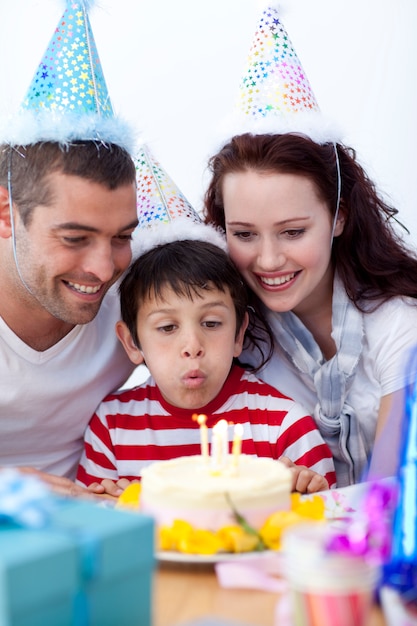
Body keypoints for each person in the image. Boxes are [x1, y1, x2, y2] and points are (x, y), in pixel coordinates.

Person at [203, 131, 417, 487]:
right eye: (244, 234)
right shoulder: (235, 337)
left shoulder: (400, 325)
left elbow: (389, 490)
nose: (268, 260)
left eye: (292, 232)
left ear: (338, 218)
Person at [76, 227, 337, 495]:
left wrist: (305, 494)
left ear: (238, 334)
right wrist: (109, 505)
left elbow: (333, 517)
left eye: (211, 323)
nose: (192, 347)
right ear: (132, 342)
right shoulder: (112, 425)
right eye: (167, 327)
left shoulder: (284, 425)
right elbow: (87, 525)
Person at [0, 1, 140, 496]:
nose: (104, 269)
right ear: (5, 212)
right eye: (75, 238)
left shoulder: (140, 296)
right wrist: (21, 489)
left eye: (122, 236)